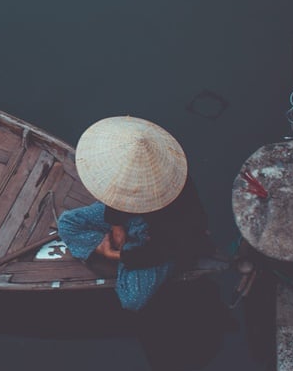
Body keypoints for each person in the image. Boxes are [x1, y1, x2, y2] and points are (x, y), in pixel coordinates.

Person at [57, 116, 211, 311]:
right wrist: (116, 225)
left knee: (132, 300)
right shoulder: (127, 168)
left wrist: (116, 255)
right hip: (135, 220)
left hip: (160, 242)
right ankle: (118, 252)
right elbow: (116, 194)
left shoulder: (176, 210)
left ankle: (122, 259)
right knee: (68, 223)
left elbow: (164, 250)